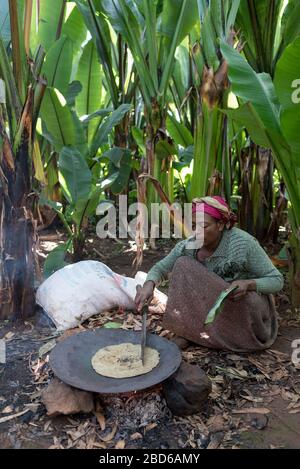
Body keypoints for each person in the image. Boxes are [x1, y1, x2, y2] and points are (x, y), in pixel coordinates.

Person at [135, 196, 283, 352]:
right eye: (193, 226)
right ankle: (189, 333)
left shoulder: (243, 244)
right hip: (213, 305)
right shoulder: (190, 246)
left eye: (203, 226)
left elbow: (277, 280)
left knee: (250, 300)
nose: (196, 232)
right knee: (183, 264)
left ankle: (237, 338)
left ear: (220, 225)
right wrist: (149, 285)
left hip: (242, 306)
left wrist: (249, 284)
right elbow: (160, 268)